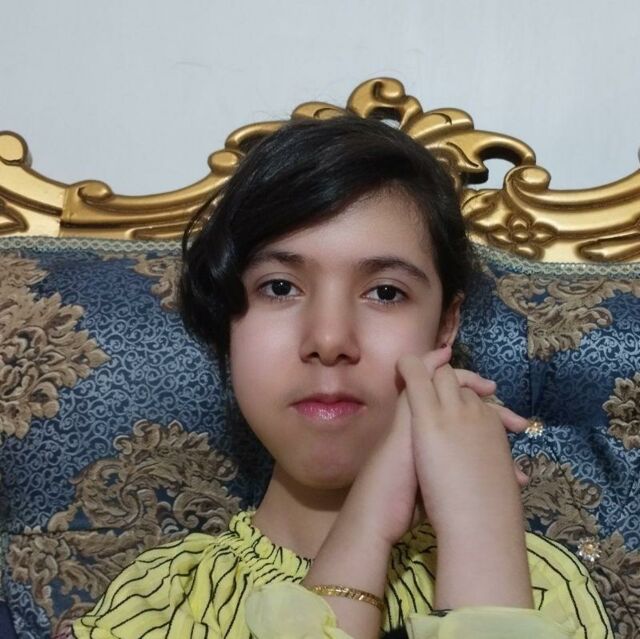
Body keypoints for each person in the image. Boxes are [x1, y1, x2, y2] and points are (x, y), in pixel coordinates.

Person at [72, 116, 612, 639]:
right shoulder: (163, 602)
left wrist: (480, 538)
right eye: (280, 287)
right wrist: (366, 525)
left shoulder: (539, 587)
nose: (329, 340)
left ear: (445, 325)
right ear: (228, 324)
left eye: (385, 292)